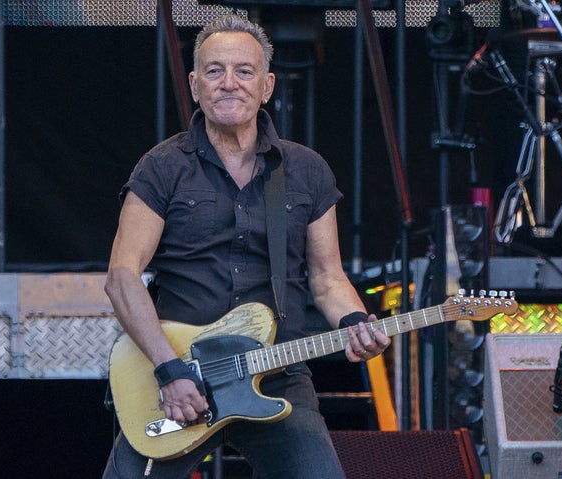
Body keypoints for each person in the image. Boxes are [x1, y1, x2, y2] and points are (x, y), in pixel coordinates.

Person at [102, 14, 391, 479]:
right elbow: (121, 277)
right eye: (214, 71)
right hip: (178, 374)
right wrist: (169, 370)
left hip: (276, 371)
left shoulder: (306, 171)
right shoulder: (162, 167)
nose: (229, 83)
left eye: (244, 71)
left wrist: (355, 322)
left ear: (267, 85)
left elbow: (327, 277)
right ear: (195, 85)